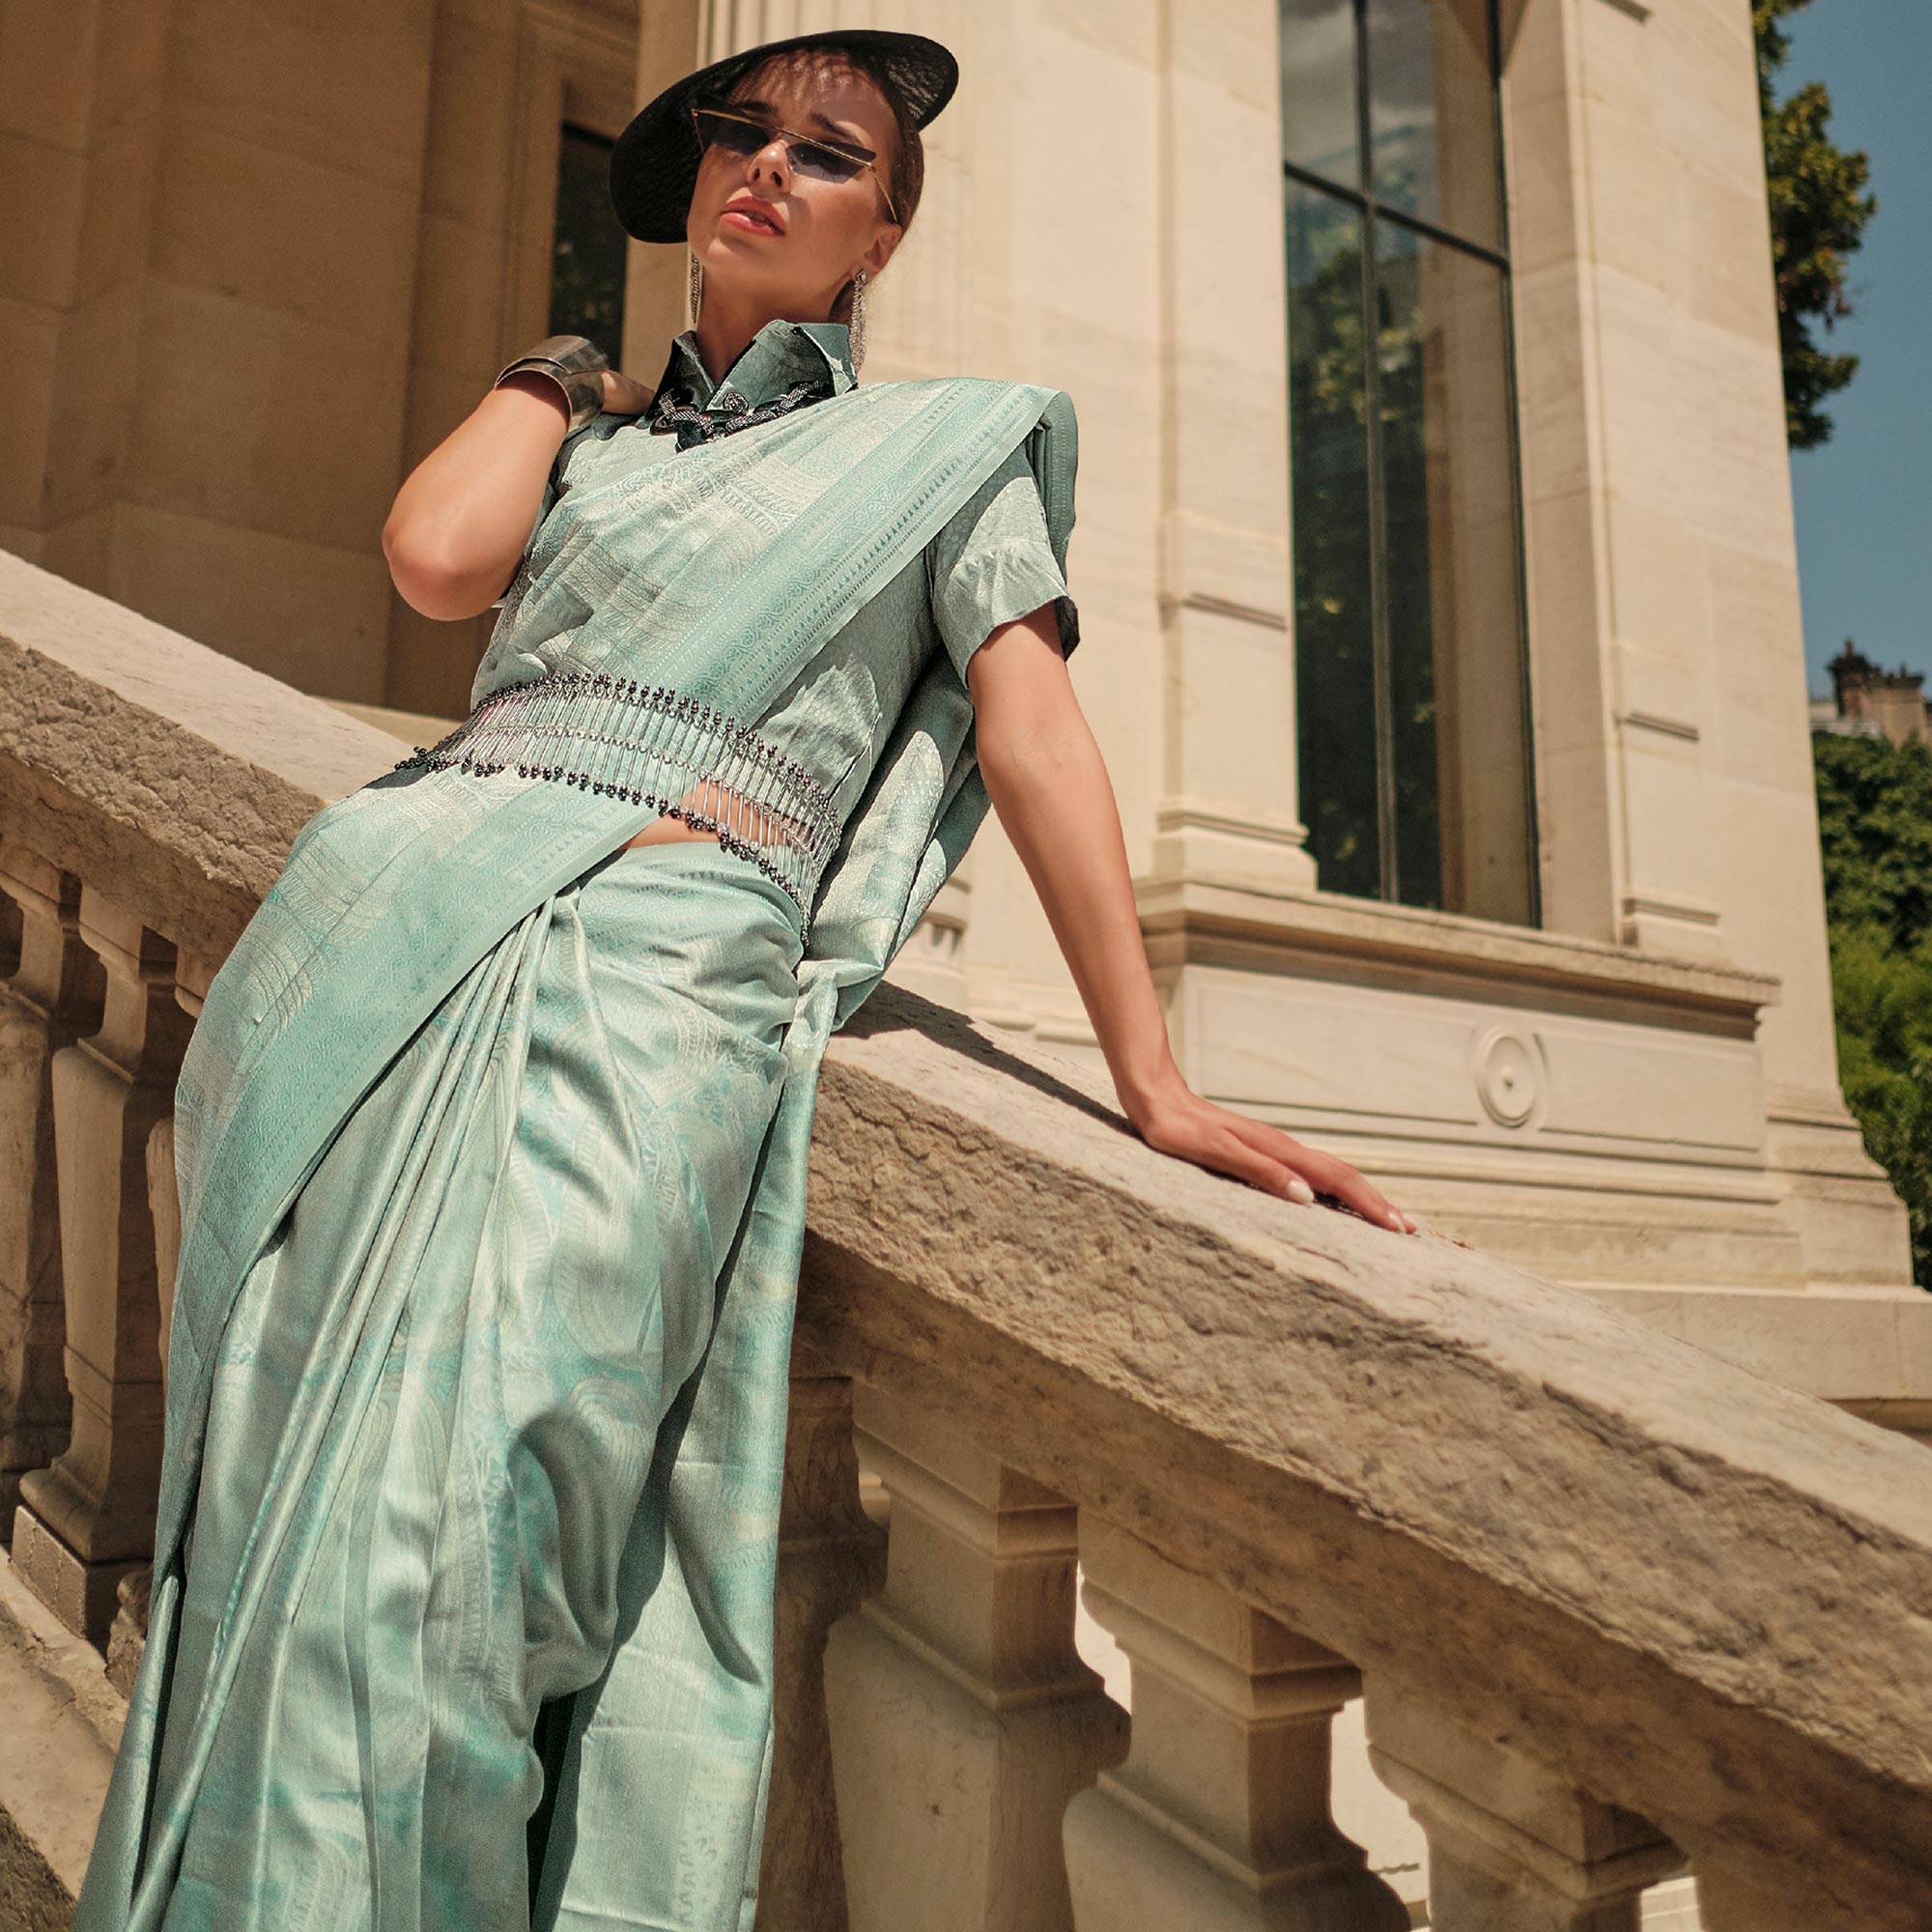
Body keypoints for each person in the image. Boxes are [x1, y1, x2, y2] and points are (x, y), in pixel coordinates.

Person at [71, 27, 1417, 1932]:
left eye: (831, 155)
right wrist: (554, 372)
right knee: (288, 1526)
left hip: (650, 994)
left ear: (886, 231)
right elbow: (435, 558)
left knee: (459, 1565)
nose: (770, 167)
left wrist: (1151, 1073)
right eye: (740, 131)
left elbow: (1032, 736)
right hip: (397, 952)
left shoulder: (946, 451)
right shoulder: (596, 438)